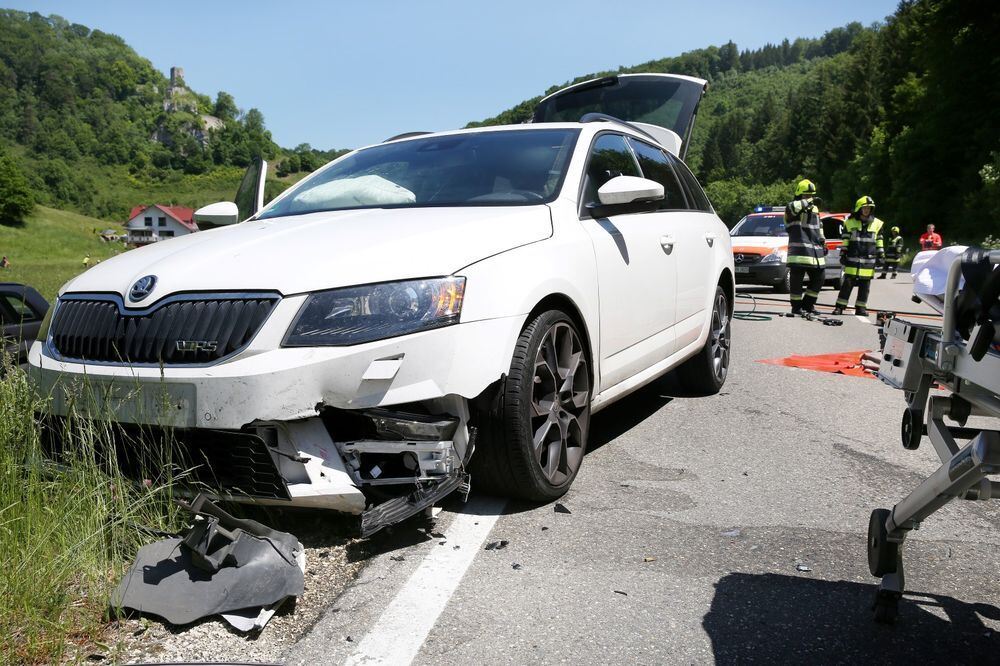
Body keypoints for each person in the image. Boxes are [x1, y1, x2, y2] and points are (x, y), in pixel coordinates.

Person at [832, 195, 884, 317]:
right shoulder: (849, 222)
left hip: (868, 260)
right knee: (847, 284)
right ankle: (840, 307)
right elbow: (845, 240)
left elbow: (880, 240)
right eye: (864, 208)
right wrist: (843, 253)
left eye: (869, 208)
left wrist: (881, 254)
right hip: (852, 259)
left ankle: (861, 308)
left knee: (865, 286)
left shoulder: (877, 223)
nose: (867, 210)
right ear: (859, 208)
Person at [784, 179, 827, 316]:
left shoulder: (815, 209)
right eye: (806, 195)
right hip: (800, 251)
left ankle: (808, 304)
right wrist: (808, 201)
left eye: (811, 195)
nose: (809, 197)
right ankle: (796, 307)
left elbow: (819, 226)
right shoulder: (791, 207)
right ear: (799, 195)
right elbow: (793, 209)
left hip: (815, 252)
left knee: (820, 278)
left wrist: (823, 240)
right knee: (797, 281)